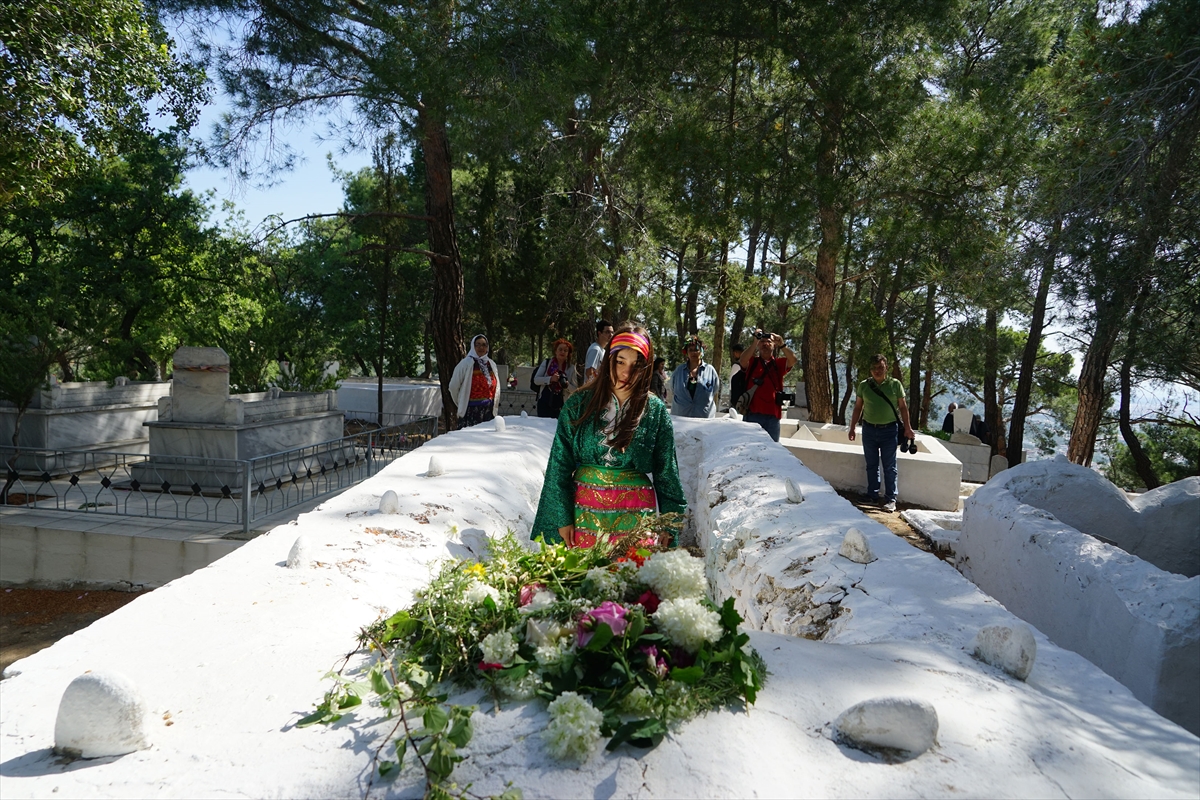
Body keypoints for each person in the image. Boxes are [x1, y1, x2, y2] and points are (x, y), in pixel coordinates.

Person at [531, 324, 687, 549]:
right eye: (620, 361)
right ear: (608, 360)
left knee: (629, 580)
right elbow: (559, 465)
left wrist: (669, 524)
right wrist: (562, 518)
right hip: (582, 513)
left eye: (636, 365)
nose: (626, 372)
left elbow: (667, 473)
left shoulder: (655, 410)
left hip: (636, 517)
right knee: (583, 579)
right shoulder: (579, 404)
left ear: (646, 368)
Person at [848, 354, 915, 513]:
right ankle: (872, 495)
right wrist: (852, 427)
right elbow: (858, 407)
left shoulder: (895, 385)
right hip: (869, 430)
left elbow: (903, 407)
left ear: (886, 368)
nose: (877, 371)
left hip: (889, 431)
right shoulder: (864, 385)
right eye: (874, 368)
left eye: (880, 367)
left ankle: (891, 499)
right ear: (870, 370)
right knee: (871, 465)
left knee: (890, 466)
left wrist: (908, 427)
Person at [737, 330, 797, 441]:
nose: (765, 344)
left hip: (772, 417)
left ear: (774, 345)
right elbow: (742, 360)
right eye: (762, 341)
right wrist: (755, 341)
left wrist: (782, 344)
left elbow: (793, 360)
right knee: (749, 450)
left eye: (768, 341)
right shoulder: (753, 362)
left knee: (771, 452)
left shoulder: (778, 364)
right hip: (752, 414)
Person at [448, 334, 501, 429]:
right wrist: (461, 401)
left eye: (484, 345)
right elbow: (453, 387)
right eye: (478, 344)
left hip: (488, 411)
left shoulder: (491, 364)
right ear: (473, 346)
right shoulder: (465, 364)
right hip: (470, 411)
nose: (481, 347)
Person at [670, 335, 720, 418]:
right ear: (687, 352)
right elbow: (673, 388)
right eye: (691, 350)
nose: (694, 353)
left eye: (696, 350)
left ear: (701, 351)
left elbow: (715, 389)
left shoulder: (710, 370)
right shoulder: (679, 370)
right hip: (680, 416)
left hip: (703, 417)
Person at [534, 338, 576, 419]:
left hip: (562, 403)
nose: (562, 352)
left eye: (565, 350)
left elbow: (575, 389)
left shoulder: (571, 368)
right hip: (545, 400)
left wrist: (567, 385)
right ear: (555, 351)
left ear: (568, 353)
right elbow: (536, 380)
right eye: (560, 349)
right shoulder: (547, 363)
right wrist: (550, 379)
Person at [727, 342, 746, 410]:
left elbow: (732, 384)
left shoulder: (737, 365)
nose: (734, 355)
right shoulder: (748, 365)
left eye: (735, 352)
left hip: (736, 397)